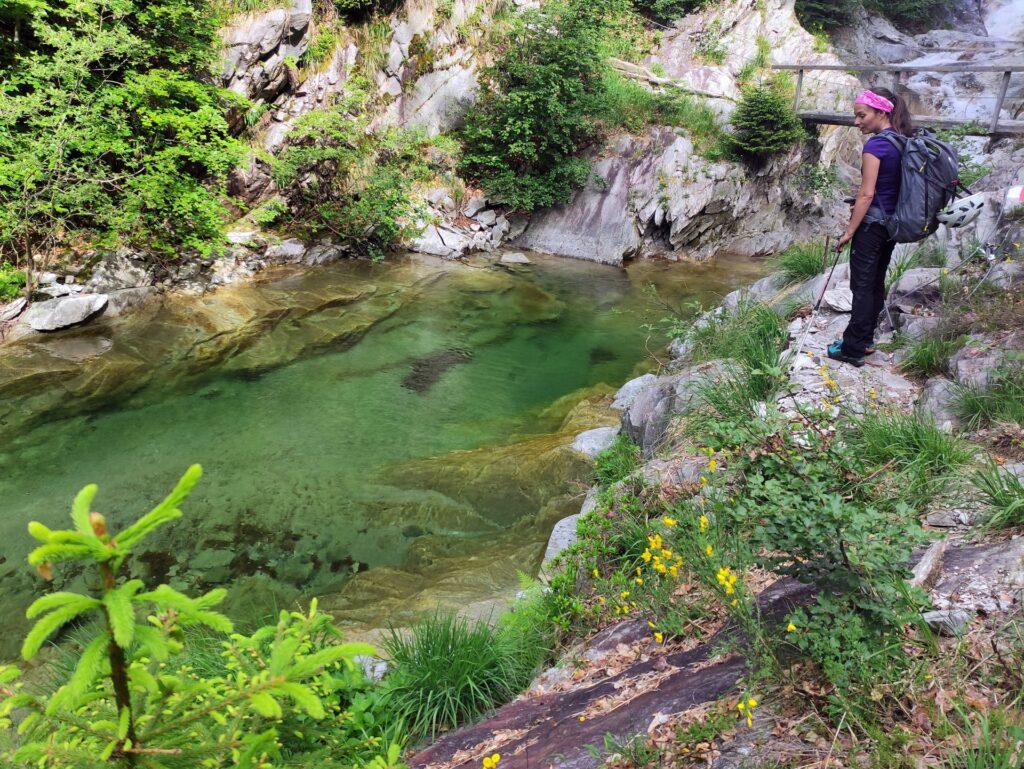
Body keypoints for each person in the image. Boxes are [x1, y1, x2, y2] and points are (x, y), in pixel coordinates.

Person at [827, 87, 913, 368]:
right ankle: (864, 340)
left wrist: (849, 231)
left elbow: (866, 194)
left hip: (872, 226)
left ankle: (851, 348)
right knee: (876, 282)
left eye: (861, 115)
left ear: (881, 112)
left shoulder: (875, 146)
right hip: (891, 227)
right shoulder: (901, 142)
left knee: (861, 286)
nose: (856, 122)